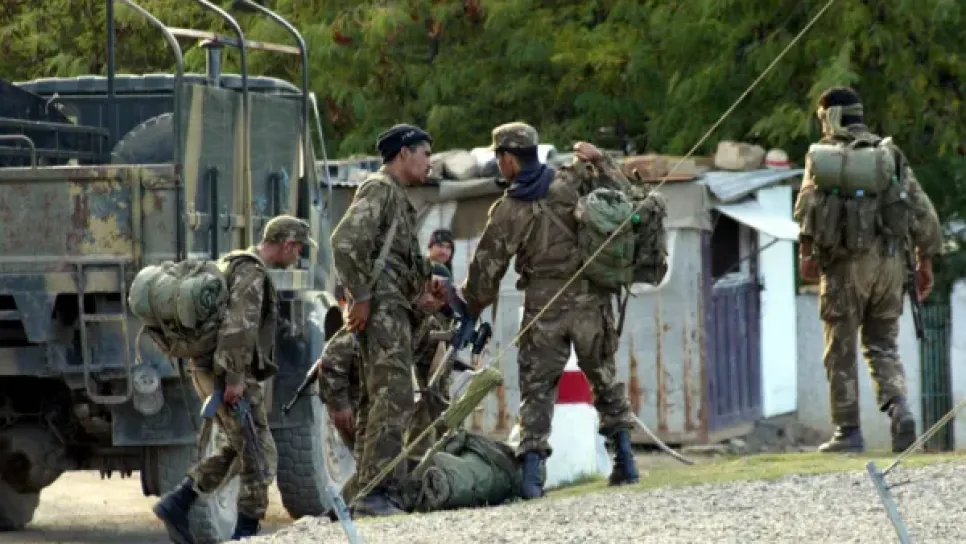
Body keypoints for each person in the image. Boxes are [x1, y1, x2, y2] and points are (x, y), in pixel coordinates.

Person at [458, 122, 640, 500]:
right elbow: (626, 198)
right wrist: (601, 160)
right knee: (604, 378)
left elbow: (485, 272)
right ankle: (625, 460)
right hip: (589, 301)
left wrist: (471, 305)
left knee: (537, 390)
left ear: (509, 159)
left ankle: (531, 479)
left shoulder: (508, 209)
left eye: (499, 158)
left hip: (543, 309)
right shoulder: (571, 182)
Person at [793, 86, 943, 453]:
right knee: (883, 346)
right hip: (891, 265)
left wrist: (807, 257)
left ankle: (847, 432)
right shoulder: (889, 155)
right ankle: (900, 409)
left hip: (844, 268)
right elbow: (923, 212)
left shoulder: (824, 158)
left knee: (840, 348)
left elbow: (806, 210)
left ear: (829, 117)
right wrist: (925, 261)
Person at [152, 215, 317, 542]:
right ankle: (246, 533)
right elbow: (238, 327)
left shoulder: (234, 262)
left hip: (209, 370)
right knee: (260, 456)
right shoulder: (252, 273)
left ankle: (178, 502)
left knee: (239, 447)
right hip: (226, 375)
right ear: (287, 244)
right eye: (298, 248)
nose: (298, 255)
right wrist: (235, 378)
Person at [329, 123, 446, 516]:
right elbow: (344, 242)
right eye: (425, 154)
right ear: (403, 153)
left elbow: (394, 264)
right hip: (381, 313)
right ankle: (376, 493)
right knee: (392, 398)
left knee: (376, 403)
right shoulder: (380, 189)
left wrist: (423, 295)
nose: (430, 162)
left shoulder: (396, 196)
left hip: (394, 312)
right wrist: (361, 297)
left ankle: (366, 493)